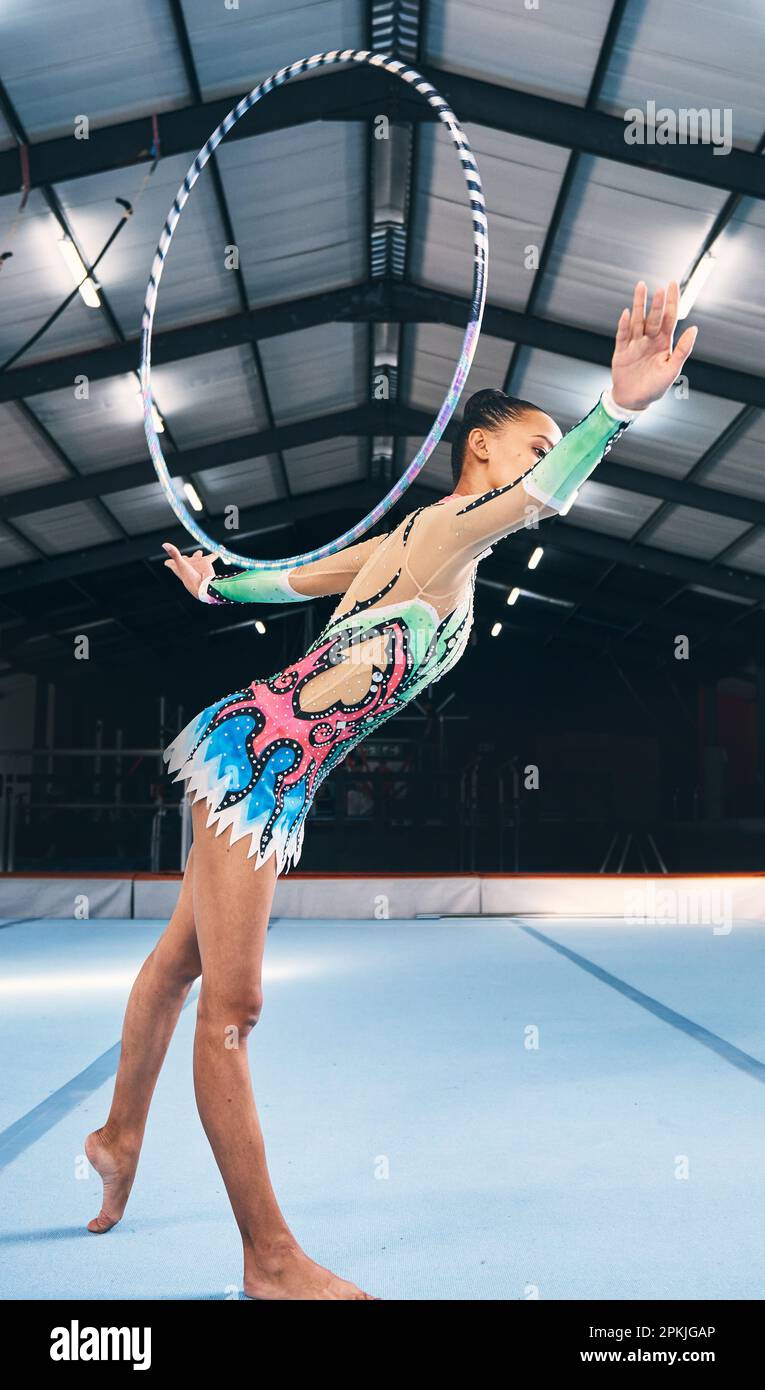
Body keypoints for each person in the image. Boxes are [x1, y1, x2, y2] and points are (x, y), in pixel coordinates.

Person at [84, 282, 697, 1299]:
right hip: (258, 762)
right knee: (232, 1010)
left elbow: (292, 579)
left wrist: (215, 584)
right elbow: (540, 497)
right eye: (534, 444)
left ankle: (117, 1133)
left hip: (272, 762)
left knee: (178, 965)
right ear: (484, 450)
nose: (544, 465)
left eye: (553, 448)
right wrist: (616, 411)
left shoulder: (424, 541)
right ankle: (269, 1260)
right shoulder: (454, 531)